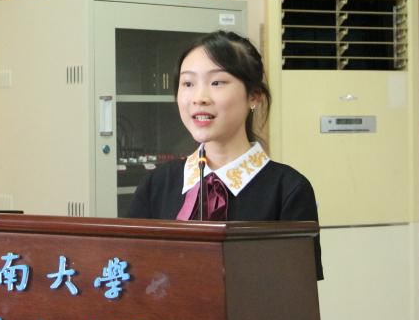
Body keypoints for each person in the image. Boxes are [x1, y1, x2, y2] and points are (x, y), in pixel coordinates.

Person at [126, 30, 322, 280]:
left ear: (254, 95)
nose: (199, 98)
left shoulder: (289, 190)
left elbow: (296, 292)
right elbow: (132, 274)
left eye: (217, 82)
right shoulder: (156, 184)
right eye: (188, 84)